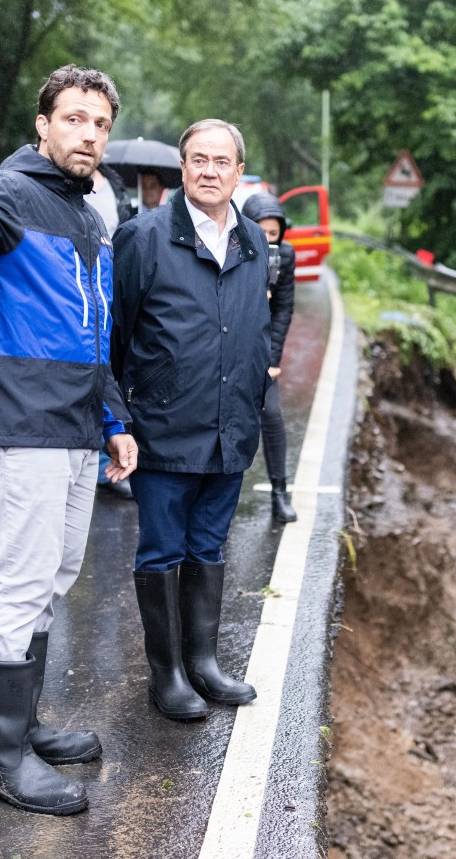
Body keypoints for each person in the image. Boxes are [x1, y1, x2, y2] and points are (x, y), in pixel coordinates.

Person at [0, 65, 138, 816]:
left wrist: (113, 421)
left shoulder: (86, 216)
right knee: (17, 583)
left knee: (52, 577)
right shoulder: (9, 193)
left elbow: (94, 334)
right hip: (20, 426)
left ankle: (25, 724)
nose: (89, 134)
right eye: (75, 118)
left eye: (100, 123)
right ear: (43, 126)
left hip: (76, 428)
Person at [111, 119, 271, 721]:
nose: (209, 171)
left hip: (230, 430)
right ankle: (168, 674)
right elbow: (113, 338)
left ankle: (202, 662)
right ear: (182, 170)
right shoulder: (144, 238)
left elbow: (254, 329)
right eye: (198, 160)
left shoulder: (254, 242)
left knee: (209, 545)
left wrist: (253, 400)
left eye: (221, 161)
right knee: (162, 551)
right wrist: (118, 419)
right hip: (163, 430)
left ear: (237, 171)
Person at [240, 192, 298, 523]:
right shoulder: (230, 251)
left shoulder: (285, 257)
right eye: (259, 231)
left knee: (272, 416)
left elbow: (284, 309)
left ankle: (280, 493)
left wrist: (273, 360)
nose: (266, 239)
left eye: (273, 233)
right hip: (224, 348)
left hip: (262, 351)